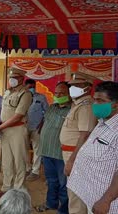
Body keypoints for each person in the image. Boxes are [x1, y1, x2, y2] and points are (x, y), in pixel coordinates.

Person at [67, 81, 118, 214]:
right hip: (91, 193)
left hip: (106, 203)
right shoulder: (103, 121)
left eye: (100, 101)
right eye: (95, 100)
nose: (95, 104)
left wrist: (106, 201)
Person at [0, 67, 32, 198]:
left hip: (18, 130)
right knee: (7, 161)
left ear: (22, 79)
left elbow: (18, 116)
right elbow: (5, 112)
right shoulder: (7, 92)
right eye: (10, 78)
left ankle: (19, 189)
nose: (12, 80)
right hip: (5, 129)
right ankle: (6, 187)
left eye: (15, 78)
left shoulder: (25, 94)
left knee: (19, 160)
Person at [59, 73, 96, 214]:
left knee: (76, 194)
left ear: (87, 88)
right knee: (74, 191)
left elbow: (84, 135)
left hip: (76, 154)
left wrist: (72, 161)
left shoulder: (86, 106)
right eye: (72, 85)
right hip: (71, 152)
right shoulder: (78, 105)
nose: (72, 88)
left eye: (77, 85)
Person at [34, 82, 71, 213]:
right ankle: (51, 203)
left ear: (70, 94)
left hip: (62, 154)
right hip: (47, 151)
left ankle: (63, 209)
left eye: (62, 93)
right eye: (56, 93)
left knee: (63, 184)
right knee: (51, 181)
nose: (58, 95)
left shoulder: (72, 110)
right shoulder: (52, 107)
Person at [24, 79, 48, 181]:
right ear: (25, 87)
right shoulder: (22, 98)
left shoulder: (41, 97)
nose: (32, 89)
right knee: (23, 149)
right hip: (23, 127)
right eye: (29, 87)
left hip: (37, 127)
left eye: (33, 87)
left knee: (37, 150)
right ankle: (27, 168)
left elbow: (47, 112)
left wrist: (42, 125)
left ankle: (35, 171)